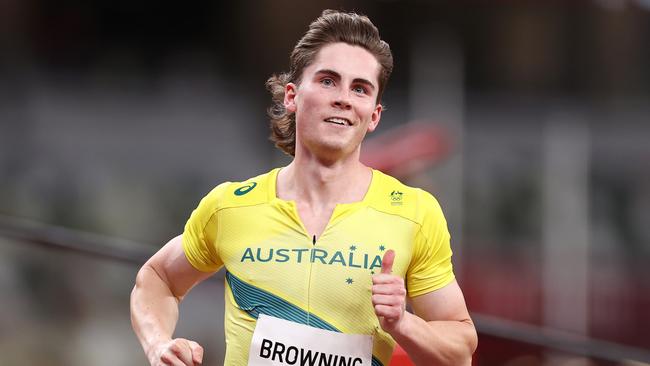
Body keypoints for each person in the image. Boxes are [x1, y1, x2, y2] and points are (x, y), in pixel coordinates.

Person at [130, 9, 477, 366]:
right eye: (328, 80)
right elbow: (157, 278)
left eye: (360, 88)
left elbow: (461, 352)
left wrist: (403, 323)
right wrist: (158, 345)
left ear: (373, 115)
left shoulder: (414, 213)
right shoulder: (229, 206)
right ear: (292, 96)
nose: (343, 97)